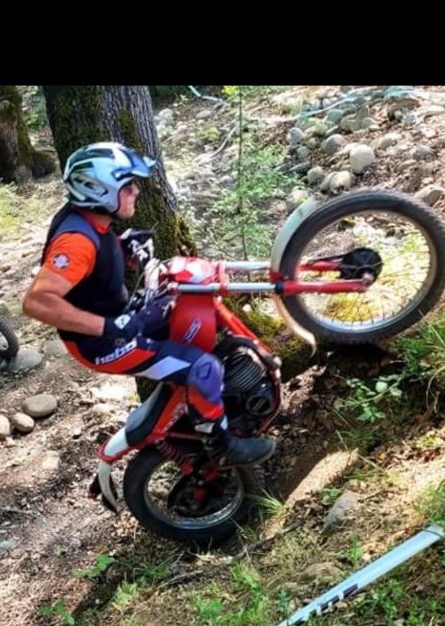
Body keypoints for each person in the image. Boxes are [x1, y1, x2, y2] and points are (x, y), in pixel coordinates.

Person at [22, 141, 275, 467]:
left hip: (118, 321)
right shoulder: (76, 242)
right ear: (100, 191)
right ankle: (221, 446)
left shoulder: (88, 220)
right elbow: (37, 302)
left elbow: (90, 270)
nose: (136, 191)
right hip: (102, 344)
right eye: (127, 186)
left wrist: (123, 247)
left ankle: (215, 401)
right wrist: (111, 326)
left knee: (191, 310)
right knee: (204, 368)